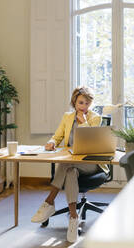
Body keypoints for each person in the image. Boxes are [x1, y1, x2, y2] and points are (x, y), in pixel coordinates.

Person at [31, 86, 108, 243]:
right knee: (70, 169)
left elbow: (92, 141)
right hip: (72, 163)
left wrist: (84, 123)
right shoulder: (67, 117)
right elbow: (58, 136)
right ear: (74, 102)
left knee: (66, 164)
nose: (84, 107)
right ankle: (74, 218)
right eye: (81, 103)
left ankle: (49, 202)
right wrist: (51, 142)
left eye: (87, 103)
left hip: (90, 163)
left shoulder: (95, 118)